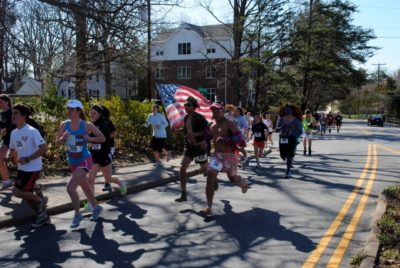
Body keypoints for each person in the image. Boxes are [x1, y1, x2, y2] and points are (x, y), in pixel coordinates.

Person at [56, 99, 105, 228]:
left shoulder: (86, 125)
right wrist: (63, 138)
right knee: (86, 188)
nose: (68, 111)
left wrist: (89, 138)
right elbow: (57, 143)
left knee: (70, 188)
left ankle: (77, 214)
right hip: (72, 161)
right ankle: (96, 207)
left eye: (71, 109)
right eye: (68, 108)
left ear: (78, 111)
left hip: (85, 160)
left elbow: (102, 138)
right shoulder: (63, 125)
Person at [202, 102, 248, 216]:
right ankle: (209, 208)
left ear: (223, 111)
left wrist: (226, 139)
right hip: (217, 156)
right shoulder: (211, 124)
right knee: (210, 178)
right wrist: (203, 142)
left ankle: (242, 183)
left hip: (229, 156)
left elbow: (239, 138)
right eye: (214, 111)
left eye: (218, 111)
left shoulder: (229, 123)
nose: (215, 113)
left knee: (232, 178)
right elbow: (207, 136)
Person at [9, 104, 49, 228]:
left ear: (24, 116)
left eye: (16, 113)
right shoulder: (14, 132)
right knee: (26, 194)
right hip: (22, 168)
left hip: (33, 168)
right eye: (12, 113)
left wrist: (28, 158)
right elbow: (13, 149)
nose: (13, 116)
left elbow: (44, 148)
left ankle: (41, 200)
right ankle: (42, 216)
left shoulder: (32, 131)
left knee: (17, 192)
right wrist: (11, 157)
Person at [88, 105, 127, 202]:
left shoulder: (104, 124)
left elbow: (104, 139)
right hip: (94, 155)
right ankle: (91, 204)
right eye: (91, 113)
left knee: (108, 178)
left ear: (100, 114)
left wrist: (89, 138)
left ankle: (121, 183)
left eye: (94, 113)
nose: (92, 115)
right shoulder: (91, 124)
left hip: (104, 154)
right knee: (90, 179)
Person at [175, 97, 209, 202]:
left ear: (194, 107)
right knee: (182, 168)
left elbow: (207, 131)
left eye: (188, 105)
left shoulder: (200, 118)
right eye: (185, 105)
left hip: (199, 147)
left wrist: (196, 134)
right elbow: (186, 131)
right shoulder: (185, 118)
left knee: (205, 169)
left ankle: (213, 177)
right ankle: (183, 194)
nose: (186, 106)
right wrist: (178, 130)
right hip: (189, 147)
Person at [276, 104, 302, 178]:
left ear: (291, 111)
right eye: (286, 109)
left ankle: (288, 171)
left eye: (288, 109)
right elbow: (277, 129)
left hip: (291, 138)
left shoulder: (296, 119)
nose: (287, 111)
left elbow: (300, 131)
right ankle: (284, 157)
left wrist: (295, 136)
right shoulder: (281, 118)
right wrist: (281, 126)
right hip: (283, 137)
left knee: (289, 155)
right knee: (282, 155)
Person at [0, 94, 14, 189]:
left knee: (18, 162)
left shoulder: (13, 112)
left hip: (15, 140)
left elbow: (16, 125)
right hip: (6, 140)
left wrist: (6, 130)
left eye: (1, 102)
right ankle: (6, 181)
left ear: (7, 102)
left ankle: (34, 184)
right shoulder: (2, 114)